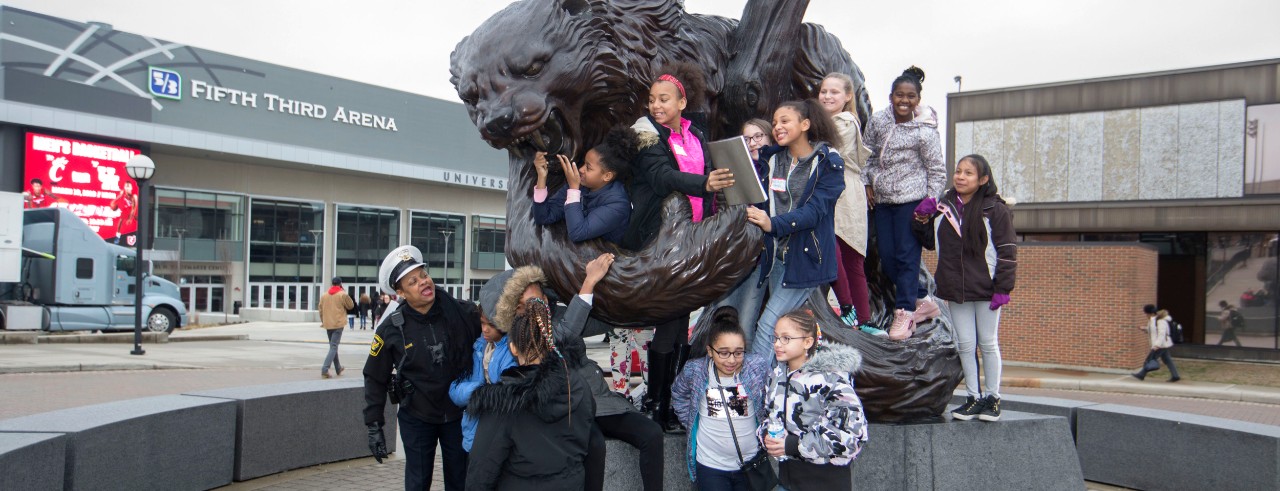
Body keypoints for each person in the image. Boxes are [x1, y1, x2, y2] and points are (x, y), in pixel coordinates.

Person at [622, 61, 735, 432]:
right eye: (652, 99)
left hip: (695, 237)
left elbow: (712, 181)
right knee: (671, 322)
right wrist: (705, 184)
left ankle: (664, 401)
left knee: (680, 318)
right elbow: (662, 178)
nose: (656, 105)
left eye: (664, 99)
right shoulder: (646, 136)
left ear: (682, 102)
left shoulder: (697, 135)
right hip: (662, 239)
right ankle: (660, 403)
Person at [464, 258, 611, 490]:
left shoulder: (503, 403)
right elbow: (594, 451)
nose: (536, 310)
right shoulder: (578, 386)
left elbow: (481, 474)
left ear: (513, 345)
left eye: (539, 301)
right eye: (526, 305)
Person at [363, 245, 480, 491]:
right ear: (401, 292)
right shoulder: (391, 329)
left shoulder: (461, 311)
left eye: (423, 275)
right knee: (418, 482)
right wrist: (374, 425)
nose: (424, 283)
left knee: (461, 481)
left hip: (457, 414)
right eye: (413, 281)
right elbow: (375, 377)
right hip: (417, 416)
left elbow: (494, 325)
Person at [913, 154, 1017, 422]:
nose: (960, 177)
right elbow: (930, 243)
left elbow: (1006, 252)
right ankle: (973, 398)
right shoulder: (944, 207)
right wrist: (921, 218)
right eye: (958, 171)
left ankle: (992, 399)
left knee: (988, 343)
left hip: (986, 289)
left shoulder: (996, 210)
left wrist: (1002, 288)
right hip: (955, 289)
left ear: (983, 179)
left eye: (968, 173)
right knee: (964, 344)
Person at [744, 99, 846, 355]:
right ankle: (780, 387)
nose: (777, 127)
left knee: (770, 326)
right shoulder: (772, 159)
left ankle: (754, 392)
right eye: (775, 122)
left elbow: (814, 212)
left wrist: (772, 224)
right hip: (775, 257)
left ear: (805, 124)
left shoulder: (828, 162)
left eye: (784, 121)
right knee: (786, 329)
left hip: (805, 260)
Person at [862, 66, 947, 340]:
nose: (904, 100)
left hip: (913, 203)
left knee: (907, 258)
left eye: (911, 96)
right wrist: (868, 182)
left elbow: (937, 171)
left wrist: (929, 206)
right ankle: (923, 299)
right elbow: (867, 156)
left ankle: (905, 314)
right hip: (884, 200)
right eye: (900, 95)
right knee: (887, 259)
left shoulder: (925, 131)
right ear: (891, 96)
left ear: (917, 100)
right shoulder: (878, 122)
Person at [759, 309, 867, 491]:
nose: (777, 344)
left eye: (786, 338)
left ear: (807, 342)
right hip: (787, 478)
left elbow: (852, 435)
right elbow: (768, 416)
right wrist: (765, 436)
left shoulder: (831, 379)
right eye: (775, 337)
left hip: (827, 480)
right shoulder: (776, 376)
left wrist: (794, 445)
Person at [672, 307, 772, 490]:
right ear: (710, 351)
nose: (731, 360)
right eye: (723, 353)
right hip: (710, 466)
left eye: (738, 352)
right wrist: (691, 422)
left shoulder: (757, 367)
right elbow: (679, 394)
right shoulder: (695, 370)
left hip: (749, 463)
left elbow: (771, 399)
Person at [818, 73, 875, 332]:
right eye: (823, 91)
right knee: (840, 254)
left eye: (834, 92)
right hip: (832, 191)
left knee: (847, 256)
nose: (827, 96)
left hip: (845, 193)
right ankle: (857, 314)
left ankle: (856, 313)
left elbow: (820, 150)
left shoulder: (845, 122)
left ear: (848, 96)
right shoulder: (822, 123)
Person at [447, 278, 518, 454]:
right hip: (475, 430)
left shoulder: (510, 350)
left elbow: (504, 394)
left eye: (491, 325)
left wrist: (479, 393)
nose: (485, 329)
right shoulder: (478, 346)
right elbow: (454, 390)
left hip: (497, 433)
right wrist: (480, 390)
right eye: (482, 323)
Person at [533, 126, 637, 244]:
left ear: (607, 176)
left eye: (588, 167)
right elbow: (543, 216)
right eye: (583, 163)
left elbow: (578, 233)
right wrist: (542, 177)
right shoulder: (579, 185)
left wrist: (573, 190)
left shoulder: (618, 205)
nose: (581, 169)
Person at [1132, 304, 1181, 383]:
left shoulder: (1160, 321)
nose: (1146, 315)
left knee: (1150, 359)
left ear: (1150, 313)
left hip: (1161, 345)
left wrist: (1156, 345)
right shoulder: (1153, 320)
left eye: (1146, 314)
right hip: (1162, 344)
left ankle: (1141, 374)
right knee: (1167, 360)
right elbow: (1154, 331)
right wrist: (1145, 329)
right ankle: (1175, 375)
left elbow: (1162, 334)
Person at [317, 276, 354, 379]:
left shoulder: (324, 295)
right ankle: (325, 369)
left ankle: (338, 368)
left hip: (328, 323)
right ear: (340, 284)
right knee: (334, 346)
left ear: (332, 284)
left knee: (333, 346)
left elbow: (320, 309)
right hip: (338, 324)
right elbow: (351, 306)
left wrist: (323, 320)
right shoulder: (342, 294)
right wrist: (345, 293)